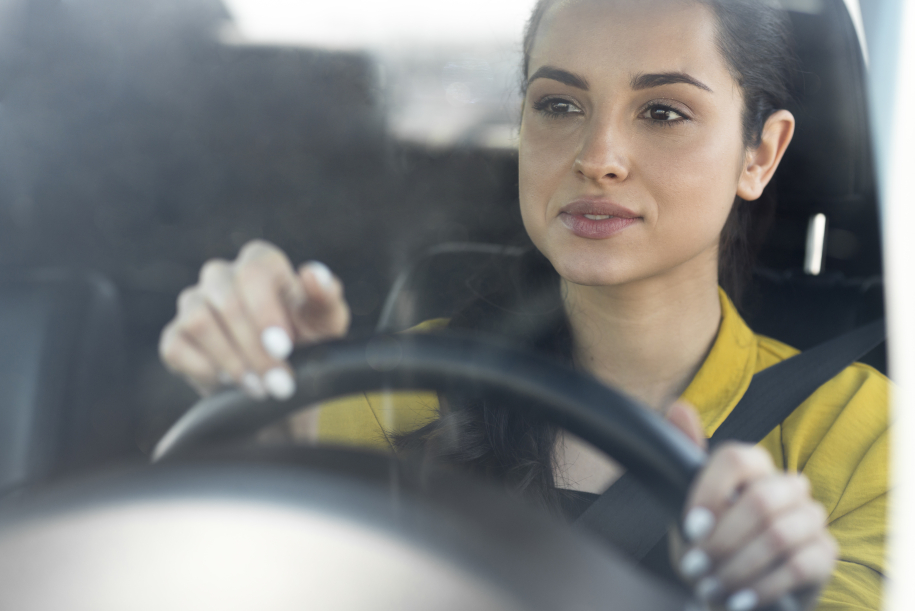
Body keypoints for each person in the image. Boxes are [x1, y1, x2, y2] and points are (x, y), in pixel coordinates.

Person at [158, 1, 888, 609]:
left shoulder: (863, 435)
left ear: (759, 152)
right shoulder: (398, 385)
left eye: (662, 111)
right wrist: (266, 430)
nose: (597, 155)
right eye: (558, 104)